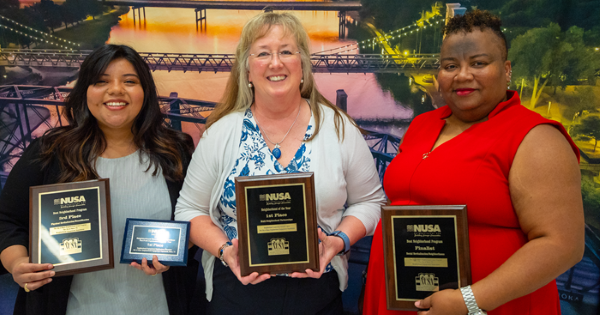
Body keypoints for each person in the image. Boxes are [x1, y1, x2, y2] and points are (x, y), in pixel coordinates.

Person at [363, 10, 584, 315]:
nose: (462, 75)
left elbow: (562, 245)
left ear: (506, 70)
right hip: (400, 298)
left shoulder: (536, 138)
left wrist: (469, 302)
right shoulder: (422, 125)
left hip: (490, 307)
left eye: (479, 63)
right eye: (450, 65)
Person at [175, 12, 386, 315]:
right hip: (235, 292)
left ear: (303, 66)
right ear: (247, 71)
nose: (276, 63)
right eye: (263, 53)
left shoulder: (339, 128)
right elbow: (189, 211)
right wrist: (225, 251)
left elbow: (371, 202)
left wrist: (338, 241)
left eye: (286, 51)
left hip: (318, 293)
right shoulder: (221, 133)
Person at [0, 44, 199, 315]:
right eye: (100, 82)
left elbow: (196, 220)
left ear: (145, 92)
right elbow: (7, 220)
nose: (116, 90)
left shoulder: (175, 151)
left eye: (129, 81)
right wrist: (18, 263)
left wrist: (174, 252)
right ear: (85, 93)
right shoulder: (49, 152)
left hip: (159, 306)